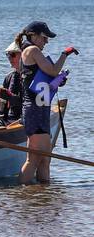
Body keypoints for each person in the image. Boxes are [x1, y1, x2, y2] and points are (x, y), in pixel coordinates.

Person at [16, 21, 79, 184]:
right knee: (35, 158)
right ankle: (24, 194)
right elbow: (52, 70)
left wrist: (57, 81)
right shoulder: (32, 50)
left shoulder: (31, 50)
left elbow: (44, 80)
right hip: (34, 110)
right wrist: (65, 54)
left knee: (45, 159)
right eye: (44, 38)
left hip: (40, 108)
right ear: (33, 36)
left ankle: (42, 195)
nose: (46, 42)